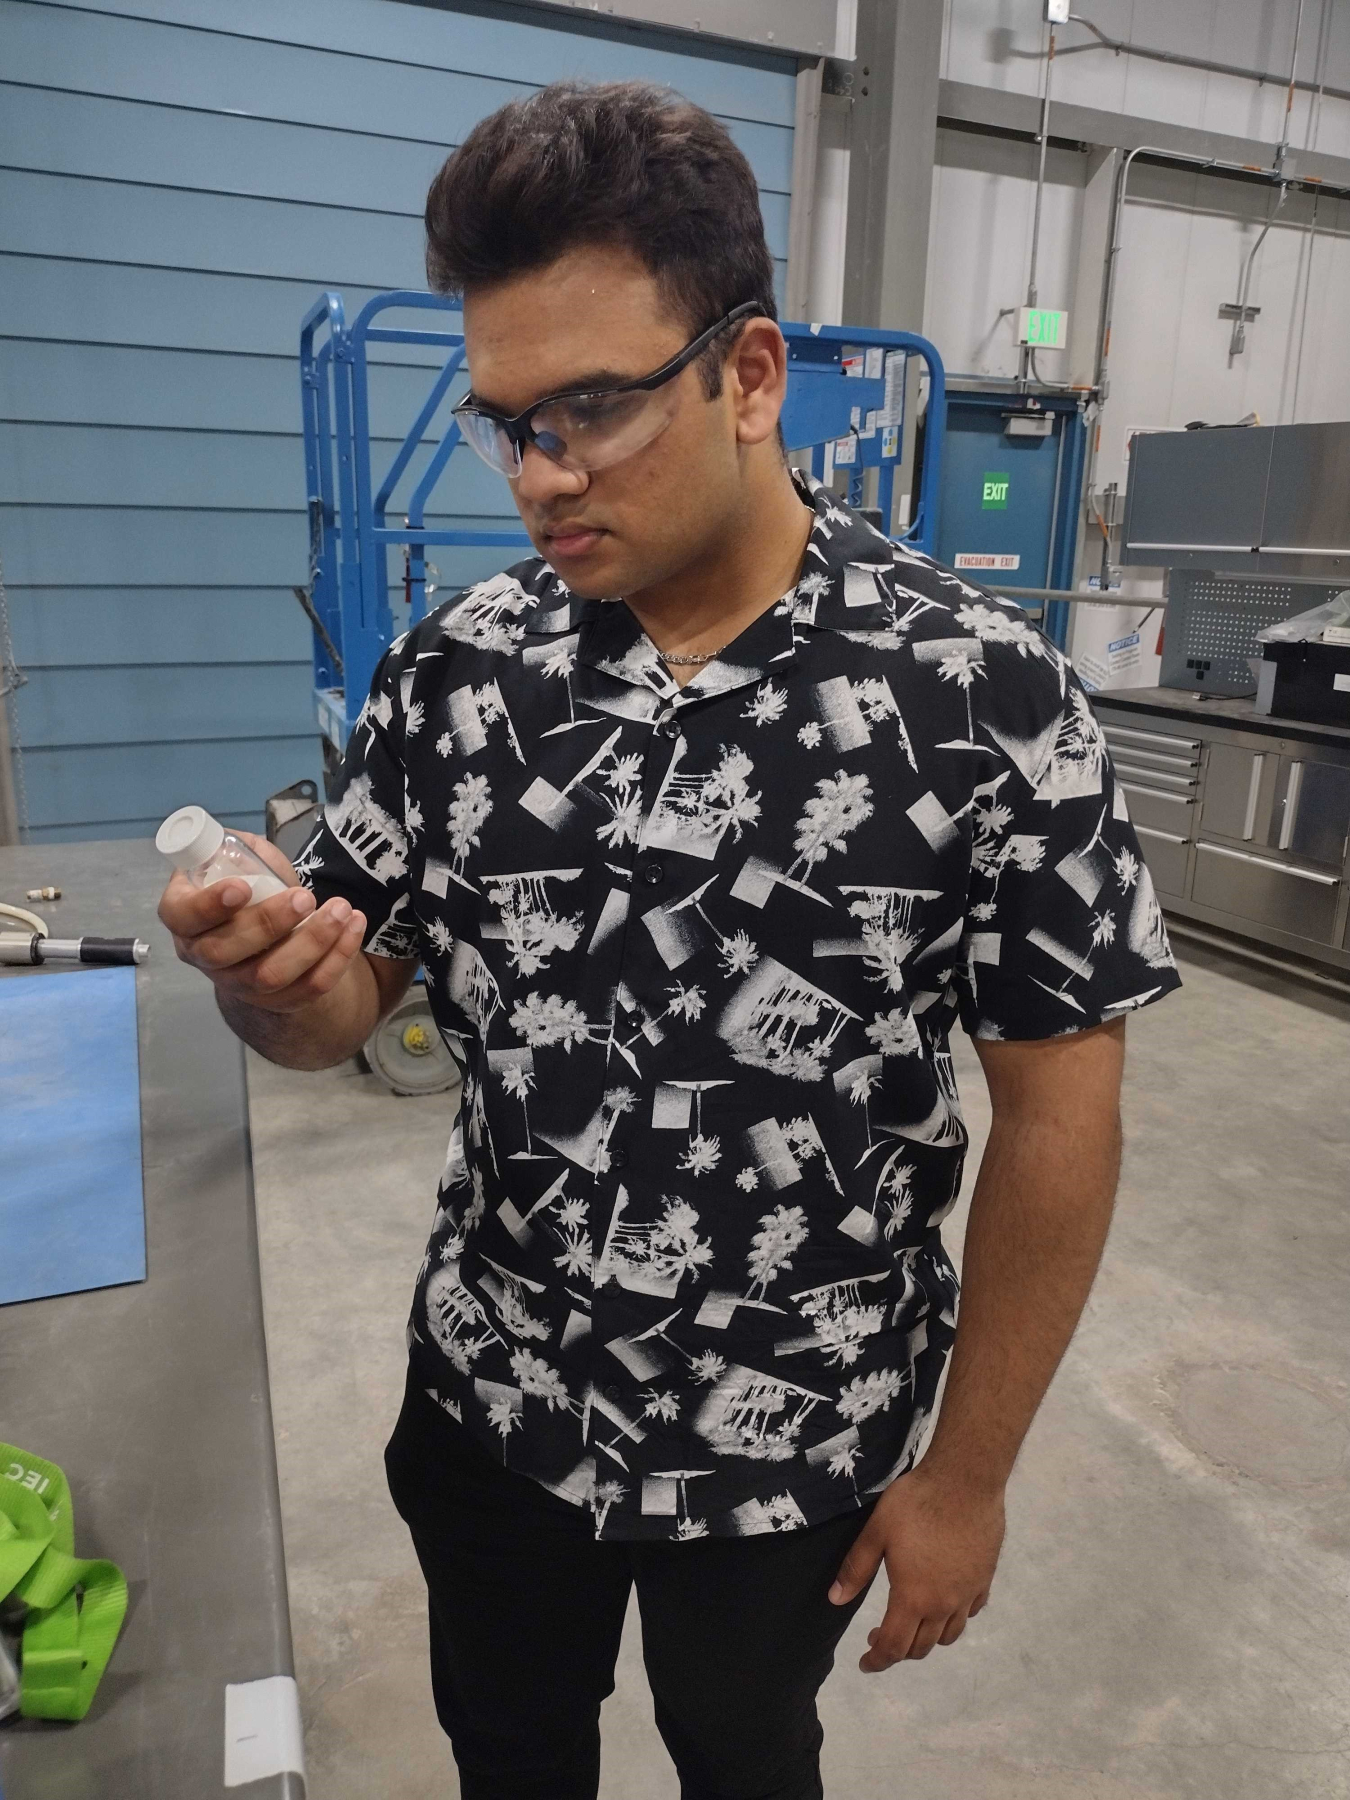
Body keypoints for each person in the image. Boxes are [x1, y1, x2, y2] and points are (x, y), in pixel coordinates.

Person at [159, 80, 1180, 1800]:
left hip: (794, 1438)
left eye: (589, 412)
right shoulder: (462, 675)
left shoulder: (980, 698)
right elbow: (342, 1012)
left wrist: (970, 1473)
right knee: (510, 1745)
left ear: (749, 373)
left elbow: (1060, 1112)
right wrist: (272, 982)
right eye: (505, 423)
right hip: (499, 1403)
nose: (540, 479)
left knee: (738, 1750)